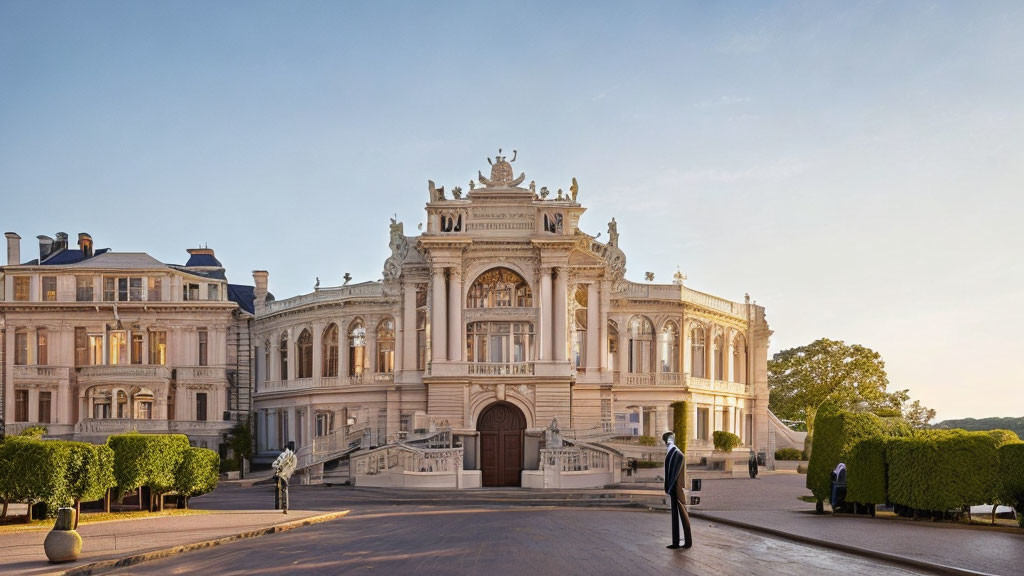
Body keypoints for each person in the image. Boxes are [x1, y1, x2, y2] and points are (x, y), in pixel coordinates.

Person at [663, 431, 693, 549]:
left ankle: (685, 542)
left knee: (682, 513)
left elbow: (675, 473)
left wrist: (670, 487)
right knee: (676, 515)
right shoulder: (672, 451)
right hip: (674, 488)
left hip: (676, 487)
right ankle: (677, 542)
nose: (666, 442)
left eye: (666, 439)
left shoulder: (676, 453)